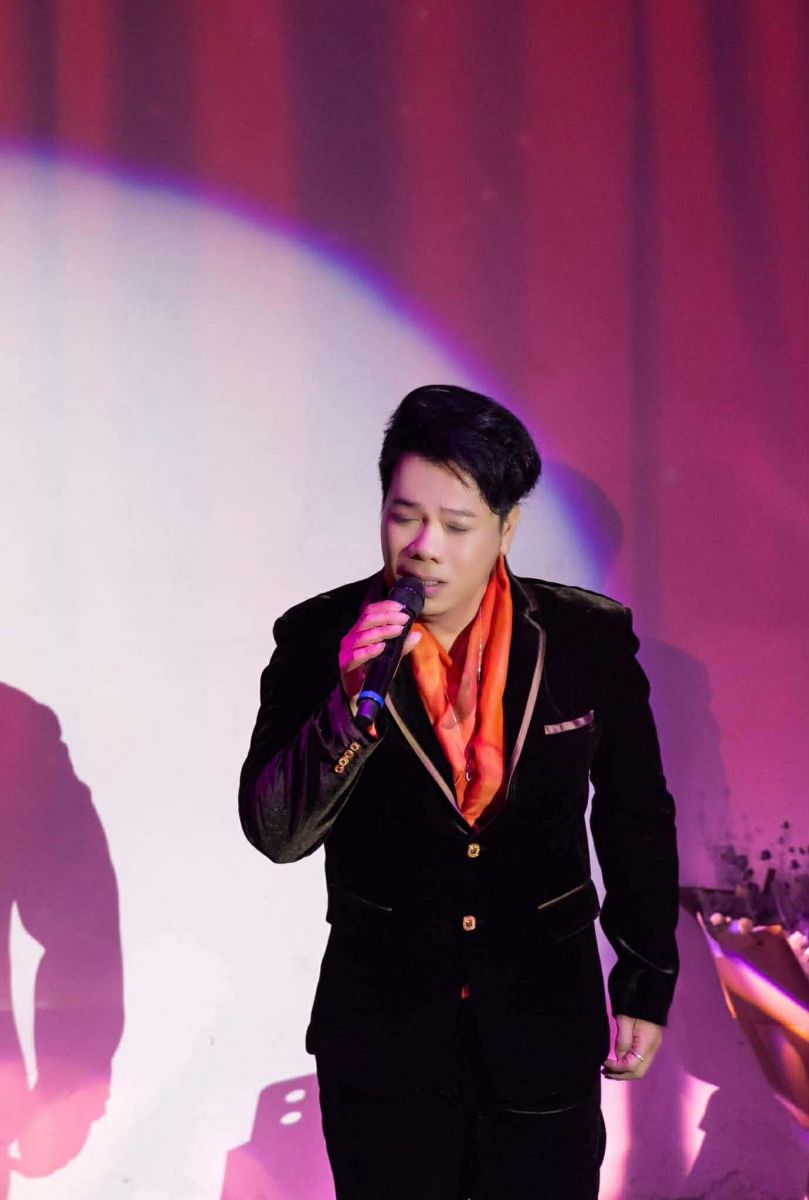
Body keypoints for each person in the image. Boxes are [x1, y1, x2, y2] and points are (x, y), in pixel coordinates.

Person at [238, 384, 679, 1200]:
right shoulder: (317, 637)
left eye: (456, 524)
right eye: (404, 517)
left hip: (542, 1025)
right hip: (384, 1037)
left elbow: (635, 817)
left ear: (506, 528)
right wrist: (344, 708)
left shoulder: (586, 638)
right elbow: (276, 833)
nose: (424, 548)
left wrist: (645, 979)